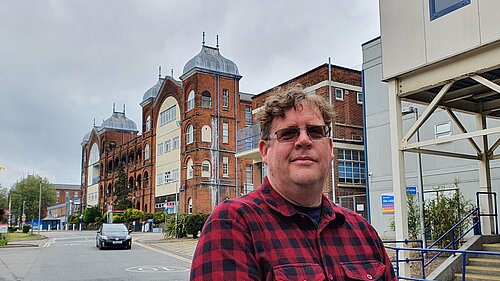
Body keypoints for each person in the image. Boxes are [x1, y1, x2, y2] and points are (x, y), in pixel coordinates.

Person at [190, 86, 397, 280]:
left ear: (330, 148)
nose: (304, 140)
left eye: (315, 132)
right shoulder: (233, 224)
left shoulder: (363, 232)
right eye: (288, 133)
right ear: (265, 151)